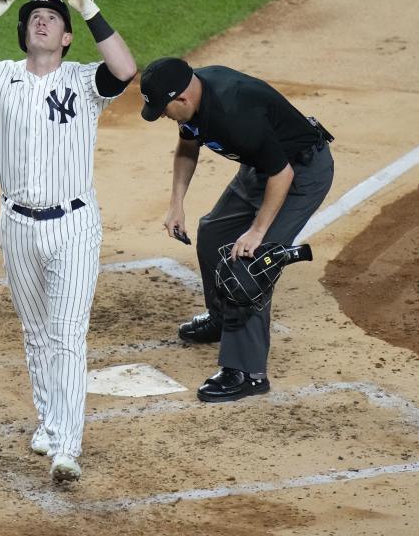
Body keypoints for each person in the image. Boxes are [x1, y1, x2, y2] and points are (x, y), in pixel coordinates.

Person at [0, 0, 137, 481]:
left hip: (73, 225)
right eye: (35, 19)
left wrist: (91, 10)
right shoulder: (0, 76)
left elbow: (124, 70)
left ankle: (66, 447)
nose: (42, 23)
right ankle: (50, 423)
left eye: (52, 18)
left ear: (67, 37)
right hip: (18, 226)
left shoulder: (84, 81)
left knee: (67, 333)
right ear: (24, 32)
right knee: (36, 334)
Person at [139, 57, 334, 402]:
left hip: (300, 173)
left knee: (251, 266)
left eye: (164, 108)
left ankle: (247, 372)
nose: (163, 115)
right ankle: (221, 317)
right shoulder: (194, 97)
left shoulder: (234, 112)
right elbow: (188, 144)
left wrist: (257, 233)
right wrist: (176, 203)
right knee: (213, 232)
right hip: (262, 169)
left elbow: (283, 175)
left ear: (183, 98)